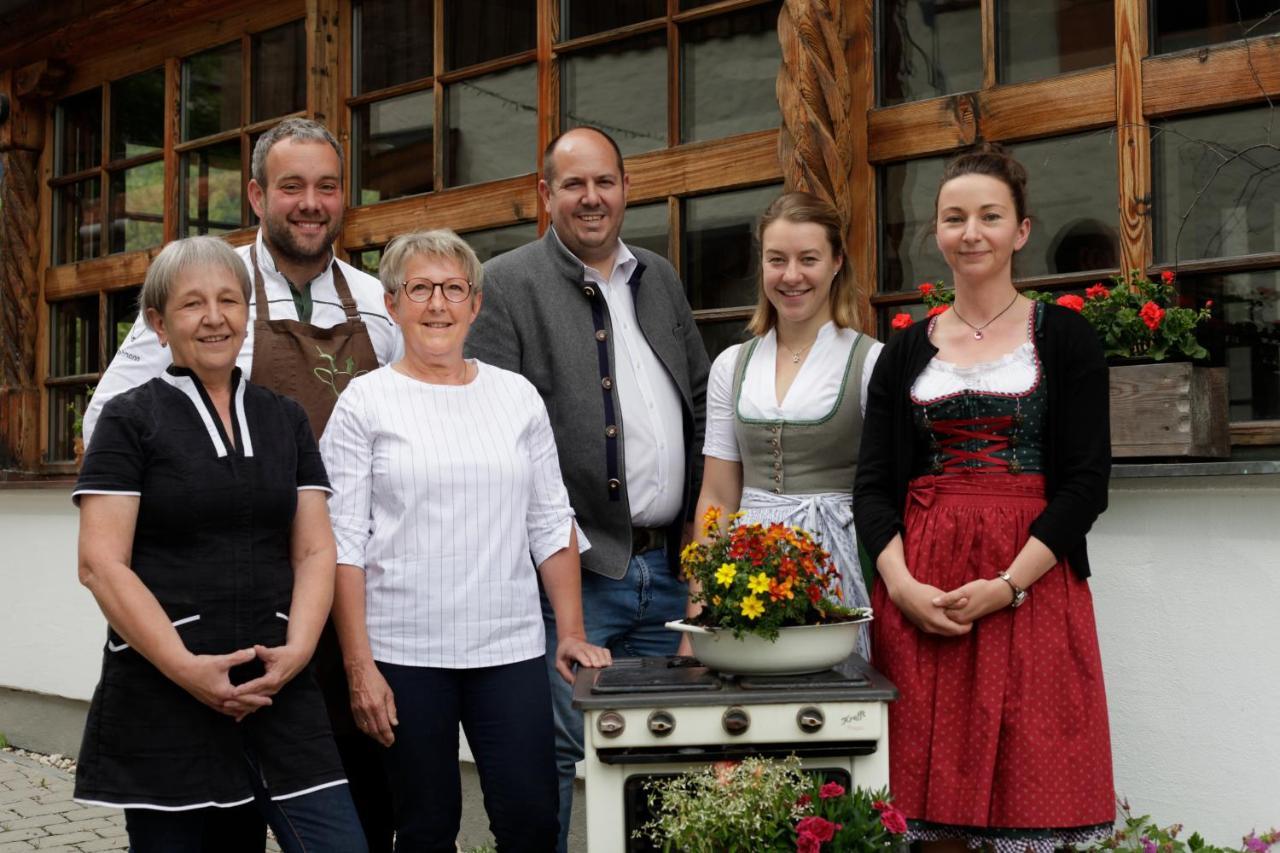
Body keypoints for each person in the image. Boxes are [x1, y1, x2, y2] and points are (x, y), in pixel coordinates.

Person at [80, 117, 400, 853]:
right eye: (292, 186)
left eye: (326, 186)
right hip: (204, 631)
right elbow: (111, 434)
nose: (310, 203)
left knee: (360, 810)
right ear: (257, 195)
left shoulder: (378, 305)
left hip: (338, 603)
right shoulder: (208, 277)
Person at [853, 143, 1115, 853]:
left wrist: (1007, 585)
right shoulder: (903, 350)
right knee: (923, 813)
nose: (971, 232)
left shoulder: (1066, 338)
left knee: (1030, 797)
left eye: (990, 216)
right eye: (954, 217)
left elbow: (1087, 482)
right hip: (923, 595)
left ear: (1021, 230)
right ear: (935, 232)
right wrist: (902, 587)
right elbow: (874, 485)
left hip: (1031, 587)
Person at [321, 229, 612, 852]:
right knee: (426, 829)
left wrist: (572, 633)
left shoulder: (515, 397)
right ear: (393, 304)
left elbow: (549, 520)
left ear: (475, 305)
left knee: (532, 822)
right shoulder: (363, 403)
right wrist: (359, 666)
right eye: (419, 288)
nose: (437, 305)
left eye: (454, 288)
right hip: (404, 655)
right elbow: (343, 544)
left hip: (507, 650)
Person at [465, 125, 710, 852]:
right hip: (574, 577)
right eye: (573, 184)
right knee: (553, 755)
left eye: (605, 181)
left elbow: (699, 403)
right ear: (545, 194)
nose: (591, 197)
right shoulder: (506, 284)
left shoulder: (658, 277)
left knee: (669, 754)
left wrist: (700, 554)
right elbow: (492, 437)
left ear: (627, 188)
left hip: (670, 570)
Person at [691, 191, 882, 658]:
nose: (791, 275)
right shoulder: (732, 365)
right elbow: (717, 496)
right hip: (748, 572)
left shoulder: (869, 361)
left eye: (808, 259)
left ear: (837, 261)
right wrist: (698, 612)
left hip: (838, 561)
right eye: (777, 260)